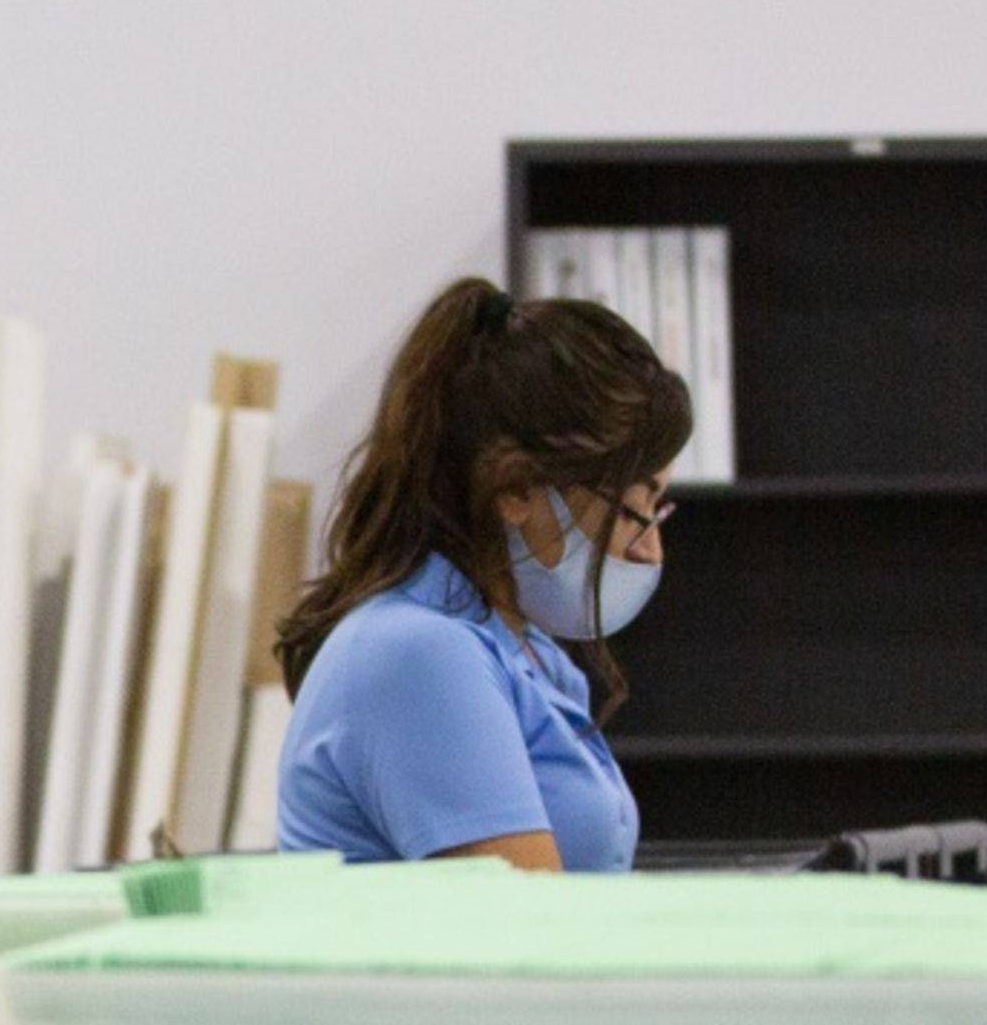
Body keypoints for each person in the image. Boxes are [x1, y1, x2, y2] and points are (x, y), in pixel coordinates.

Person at [267, 277, 690, 872]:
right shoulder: (418, 654)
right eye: (634, 510)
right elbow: (529, 934)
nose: (649, 551)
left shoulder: (528, 655)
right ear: (516, 488)